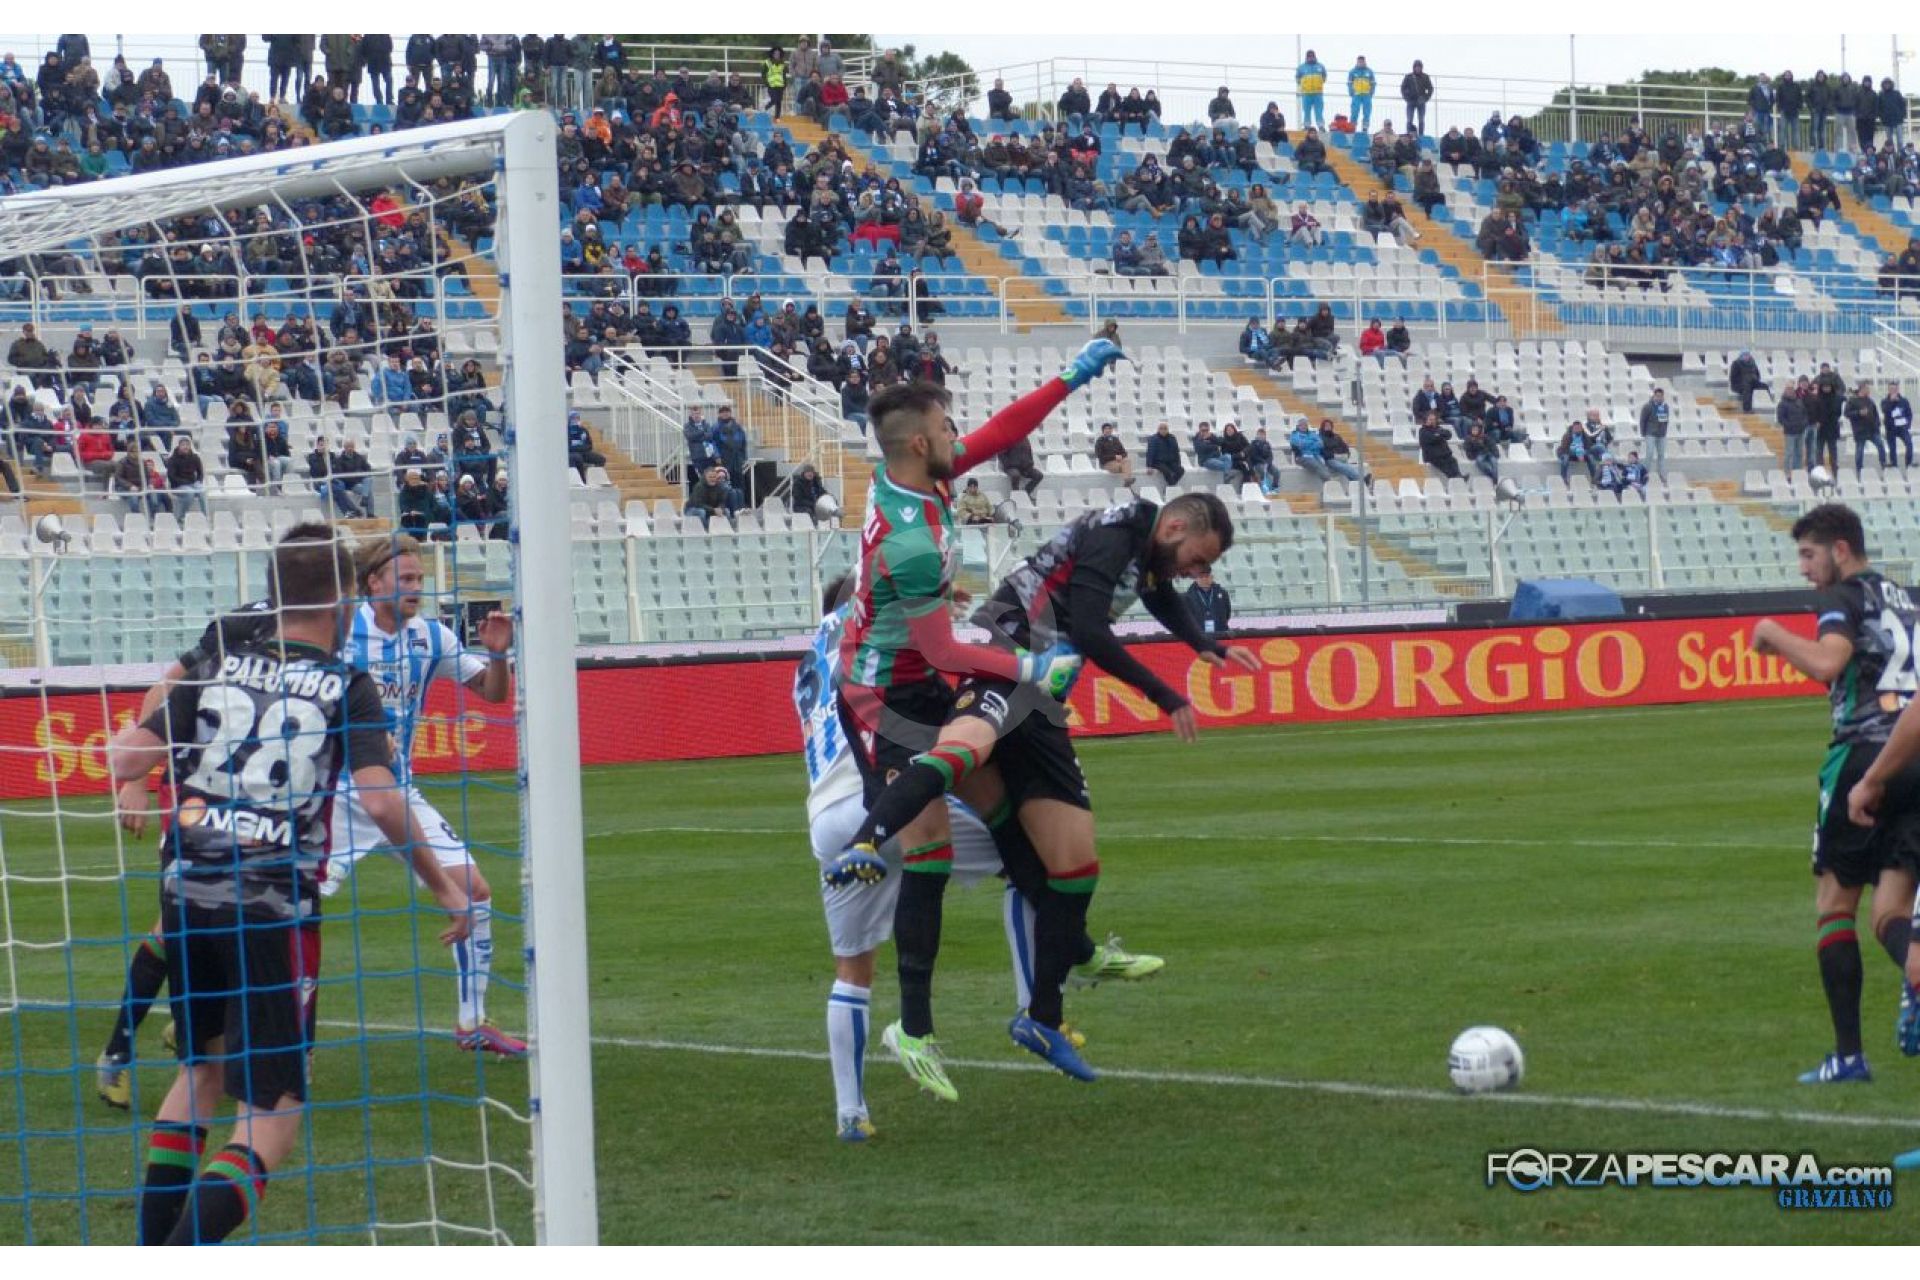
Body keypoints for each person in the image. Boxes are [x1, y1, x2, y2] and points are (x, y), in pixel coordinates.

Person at [106, 527, 472, 1244]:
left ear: (272, 597)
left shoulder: (216, 666)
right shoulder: (347, 685)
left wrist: (143, 769)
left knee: (199, 1073)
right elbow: (381, 802)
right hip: (272, 909)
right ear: (342, 601)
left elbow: (124, 757)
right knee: (270, 1119)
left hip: (186, 898)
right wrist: (443, 887)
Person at [833, 491, 1260, 1088]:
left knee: (1074, 864)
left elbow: (1159, 593)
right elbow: (1088, 628)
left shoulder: (1146, 549)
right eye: (1196, 559)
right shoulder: (1118, 533)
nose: (1193, 573)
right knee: (960, 760)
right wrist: (1165, 695)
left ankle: (1044, 1012)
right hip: (1007, 655)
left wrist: (1205, 643)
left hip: (1042, 692)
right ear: (1175, 526)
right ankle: (867, 843)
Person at [820, 347, 1122, 1099]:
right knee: (928, 852)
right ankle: (914, 1029)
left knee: (1007, 819)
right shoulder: (911, 542)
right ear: (922, 441)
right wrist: (1032, 668)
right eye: (949, 427)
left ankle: (1074, 951)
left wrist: (1071, 376)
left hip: (916, 677)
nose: (962, 436)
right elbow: (943, 649)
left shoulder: (919, 474)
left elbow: (1002, 429)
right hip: (882, 696)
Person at [319, 534, 524, 1056]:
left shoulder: (431, 636)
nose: (416, 588)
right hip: (332, 793)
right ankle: (236, 1023)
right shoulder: (340, 630)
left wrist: (498, 655)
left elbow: (493, 693)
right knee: (287, 910)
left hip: (398, 792)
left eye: (419, 579)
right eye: (405, 579)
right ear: (374, 582)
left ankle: (472, 1021)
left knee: (475, 890)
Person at [1750, 505, 1920, 1086]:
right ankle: (1915, 969)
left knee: (1834, 905)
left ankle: (1848, 1057)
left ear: (1840, 549)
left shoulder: (1842, 597)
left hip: (1862, 757)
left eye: (1808, 554)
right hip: (1914, 751)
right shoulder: (1903, 598)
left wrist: (1773, 635)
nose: (1804, 569)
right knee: (1891, 910)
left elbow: (1829, 662)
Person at [1846, 381, 1887, 478]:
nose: (1869, 390)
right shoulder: (1852, 401)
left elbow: (1875, 414)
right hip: (1860, 430)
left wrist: (1877, 425)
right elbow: (1847, 413)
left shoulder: (1870, 401)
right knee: (1859, 450)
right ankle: (1859, 469)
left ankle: (1883, 463)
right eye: (1867, 389)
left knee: (1880, 445)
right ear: (1862, 389)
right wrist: (1859, 413)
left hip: (1872, 430)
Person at [1637, 387, 1670, 480]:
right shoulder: (1648, 406)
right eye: (1657, 396)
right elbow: (1643, 420)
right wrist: (1643, 433)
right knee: (1650, 453)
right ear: (1654, 396)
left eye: (1661, 396)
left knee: (1661, 454)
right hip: (1650, 433)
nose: (1659, 398)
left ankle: (1661, 474)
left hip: (1661, 434)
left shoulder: (1665, 406)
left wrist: (1664, 431)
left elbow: (1666, 420)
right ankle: (1645, 473)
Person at [1778, 383, 1811, 474]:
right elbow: (1781, 418)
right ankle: (1787, 472)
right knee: (1789, 453)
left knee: (1799, 452)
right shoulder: (1782, 404)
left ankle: (1798, 471)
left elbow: (1805, 414)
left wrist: (1804, 423)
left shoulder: (1799, 401)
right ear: (1785, 391)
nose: (1790, 391)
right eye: (1788, 389)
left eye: (1792, 389)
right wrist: (1789, 425)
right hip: (1790, 433)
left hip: (1800, 431)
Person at [566, 410, 606, 483]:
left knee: (601, 459)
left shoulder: (583, 430)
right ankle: (582, 481)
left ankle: (595, 479)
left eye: (577, 418)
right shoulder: (566, 431)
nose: (576, 420)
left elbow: (589, 445)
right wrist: (581, 447)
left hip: (584, 452)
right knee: (577, 458)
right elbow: (568, 447)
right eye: (573, 418)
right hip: (572, 453)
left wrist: (582, 448)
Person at [1882, 382, 1914, 469]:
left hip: (1902, 428)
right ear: (1888, 390)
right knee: (1892, 448)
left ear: (1898, 390)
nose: (1893, 391)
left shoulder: (1904, 401)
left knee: (1909, 444)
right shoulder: (1885, 401)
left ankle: (1909, 463)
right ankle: (1894, 464)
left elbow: (1909, 414)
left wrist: (1907, 424)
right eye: (1891, 389)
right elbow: (1885, 410)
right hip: (1890, 428)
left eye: (1895, 389)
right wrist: (1891, 402)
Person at [1419, 414, 1461, 479]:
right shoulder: (1423, 430)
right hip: (1433, 457)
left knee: (1453, 461)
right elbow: (1432, 438)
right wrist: (1440, 435)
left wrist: (1438, 434)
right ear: (1426, 420)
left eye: (1434, 419)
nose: (1433, 421)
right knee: (1446, 467)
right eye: (1430, 419)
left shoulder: (1438, 428)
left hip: (1444, 454)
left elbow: (1448, 434)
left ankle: (1459, 476)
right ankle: (1455, 478)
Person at [1294, 50, 1327, 130]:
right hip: (1306, 93)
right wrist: (1303, 86)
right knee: (1306, 111)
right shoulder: (1301, 67)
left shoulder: (1320, 66)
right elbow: (1297, 78)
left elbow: (1324, 76)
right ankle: (1307, 126)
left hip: (1318, 93)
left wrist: (1319, 84)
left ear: (1315, 57)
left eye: (1312, 56)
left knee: (1319, 110)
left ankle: (1321, 126)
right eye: (1309, 57)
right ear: (1306, 57)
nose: (1311, 58)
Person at [1401, 59, 1434, 137]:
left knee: (1421, 120)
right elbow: (1403, 88)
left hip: (1421, 102)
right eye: (1416, 67)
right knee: (1409, 120)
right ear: (1414, 67)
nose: (1418, 68)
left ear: (1421, 68)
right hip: (1411, 101)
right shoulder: (1408, 77)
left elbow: (1430, 89)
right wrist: (1407, 98)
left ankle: (1421, 136)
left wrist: (1425, 98)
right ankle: (1408, 136)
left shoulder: (1425, 77)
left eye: (1419, 67)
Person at [1730, 350, 1769, 414]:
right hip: (1739, 384)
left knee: (1764, 386)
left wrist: (1756, 380)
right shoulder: (1736, 364)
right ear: (1741, 356)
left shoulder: (1752, 362)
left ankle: (1766, 403)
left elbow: (1757, 373)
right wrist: (1745, 381)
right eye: (1745, 355)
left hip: (1752, 382)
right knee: (1747, 389)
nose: (1746, 356)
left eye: (1747, 355)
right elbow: (1733, 377)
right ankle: (1747, 409)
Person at [1146, 421, 1184, 486]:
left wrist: (1178, 464)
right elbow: (1150, 452)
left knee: (1181, 470)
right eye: (1161, 428)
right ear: (1158, 429)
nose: (1163, 430)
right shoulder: (1153, 439)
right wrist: (1149, 466)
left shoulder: (1172, 438)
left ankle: (1171, 485)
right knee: (1167, 471)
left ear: (1168, 429)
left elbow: (1176, 452)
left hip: (1170, 461)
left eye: (1165, 428)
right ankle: (1172, 486)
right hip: (1158, 462)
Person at [1347, 57, 1376, 132]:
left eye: (1362, 61)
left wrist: (1371, 92)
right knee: (1354, 111)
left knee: (1367, 112)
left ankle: (1365, 128)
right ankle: (1352, 128)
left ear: (1364, 62)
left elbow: (1373, 83)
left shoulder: (1369, 71)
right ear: (1357, 62)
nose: (1361, 63)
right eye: (1359, 61)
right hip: (1356, 95)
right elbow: (1349, 83)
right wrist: (1351, 92)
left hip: (1367, 95)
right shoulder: (1352, 71)